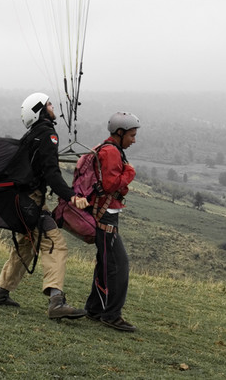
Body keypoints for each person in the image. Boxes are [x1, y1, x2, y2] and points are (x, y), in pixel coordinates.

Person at [0, 92, 89, 320]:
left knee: (26, 245)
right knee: (55, 243)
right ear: (40, 111)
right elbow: (51, 172)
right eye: (49, 105)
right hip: (32, 202)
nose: (53, 107)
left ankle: (1, 292)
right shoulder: (47, 134)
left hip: (21, 200)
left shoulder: (31, 135)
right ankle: (56, 301)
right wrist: (71, 196)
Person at [85, 112, 140, 332]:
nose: (134, 140)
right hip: (104, 215)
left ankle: (95, 308)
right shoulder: (111, 153)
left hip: (103, 212)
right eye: (132, 135)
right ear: (120, 132)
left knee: (106, 264)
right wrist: (130, 173)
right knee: (119, 265)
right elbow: (110, 185)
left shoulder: (108, 149)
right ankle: (112, 315)